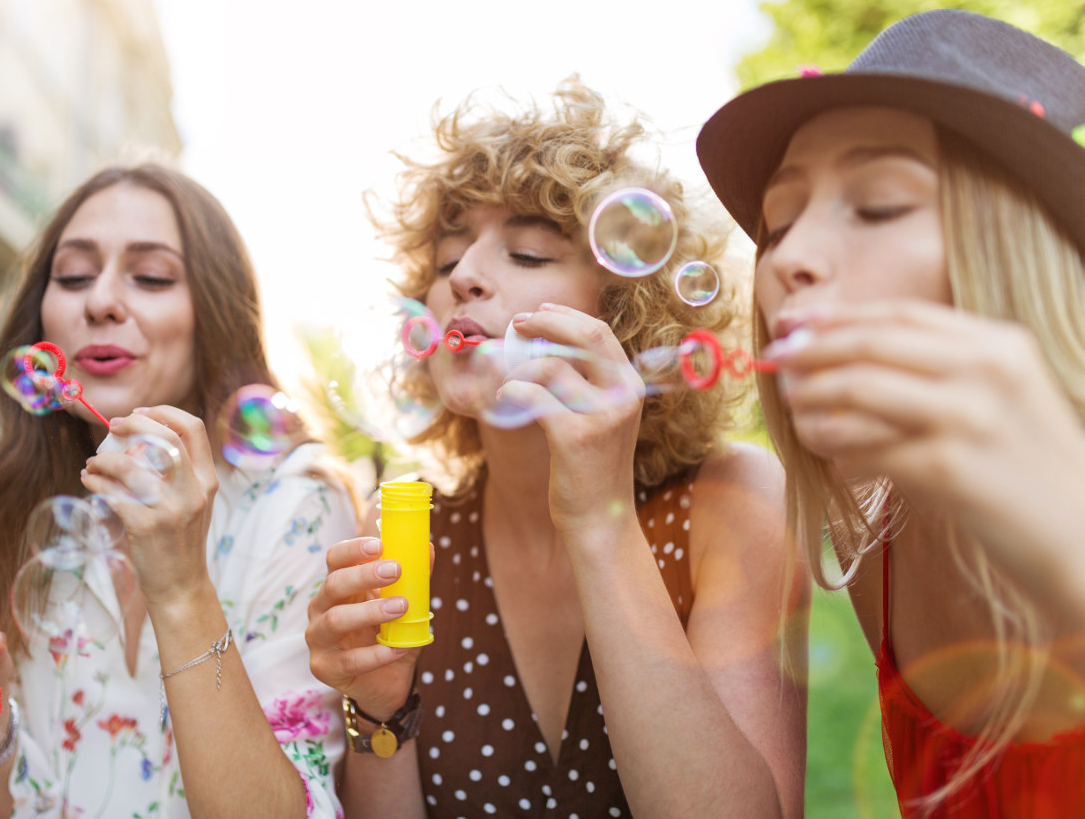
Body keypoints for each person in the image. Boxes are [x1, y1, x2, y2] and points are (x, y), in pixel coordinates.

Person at [306, 79, 808, 817]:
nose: (465, 278)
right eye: (446, 263)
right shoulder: (410, 537)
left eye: (530, 254)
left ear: (628, 308)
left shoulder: (732, 499)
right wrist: (377, 712)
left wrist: (599, 521)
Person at [697, 8, 1085, 817]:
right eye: (778, 223)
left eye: (877, 204)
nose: (790, 258)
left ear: (1009, 258)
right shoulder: (875, 546)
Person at [0, 163, 355, 818]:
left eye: (151, 276)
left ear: (213, 310)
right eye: (75, 275)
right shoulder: (37, 515)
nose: (101, 301)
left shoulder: (295, 507)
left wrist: (181, 588)